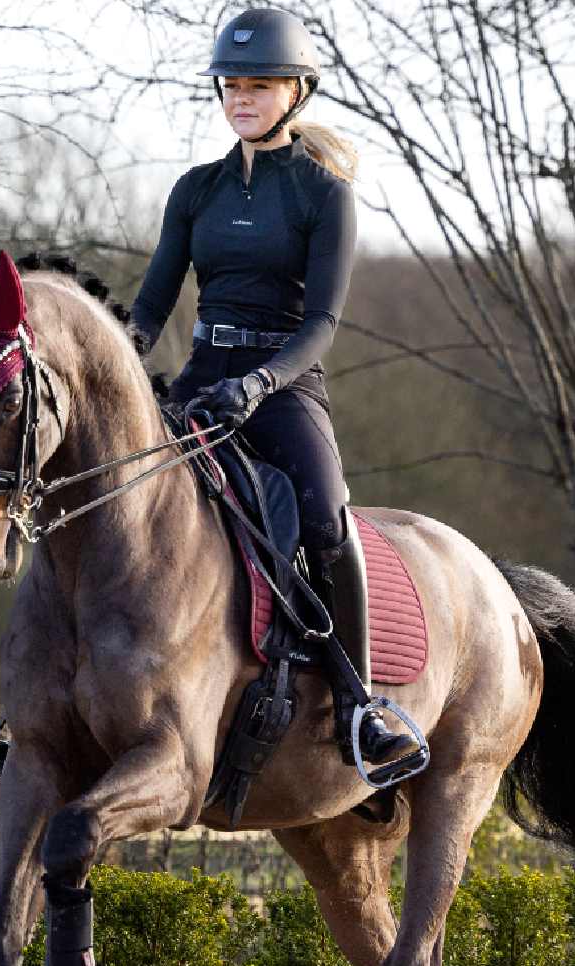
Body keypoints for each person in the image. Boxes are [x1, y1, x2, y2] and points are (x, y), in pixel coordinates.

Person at [129, 7, 414, 767]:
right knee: (112, 489)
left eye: (260, 85)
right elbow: (153, 305)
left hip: (284, 384)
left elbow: (320, 322)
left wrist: (258, 384)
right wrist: (123, 362)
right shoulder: (196, 190)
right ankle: (53, 699)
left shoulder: (325, 195)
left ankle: (358, 707)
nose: (242, 98)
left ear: (296, 93)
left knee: (326, 516)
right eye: (233, 85)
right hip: (201, 379)